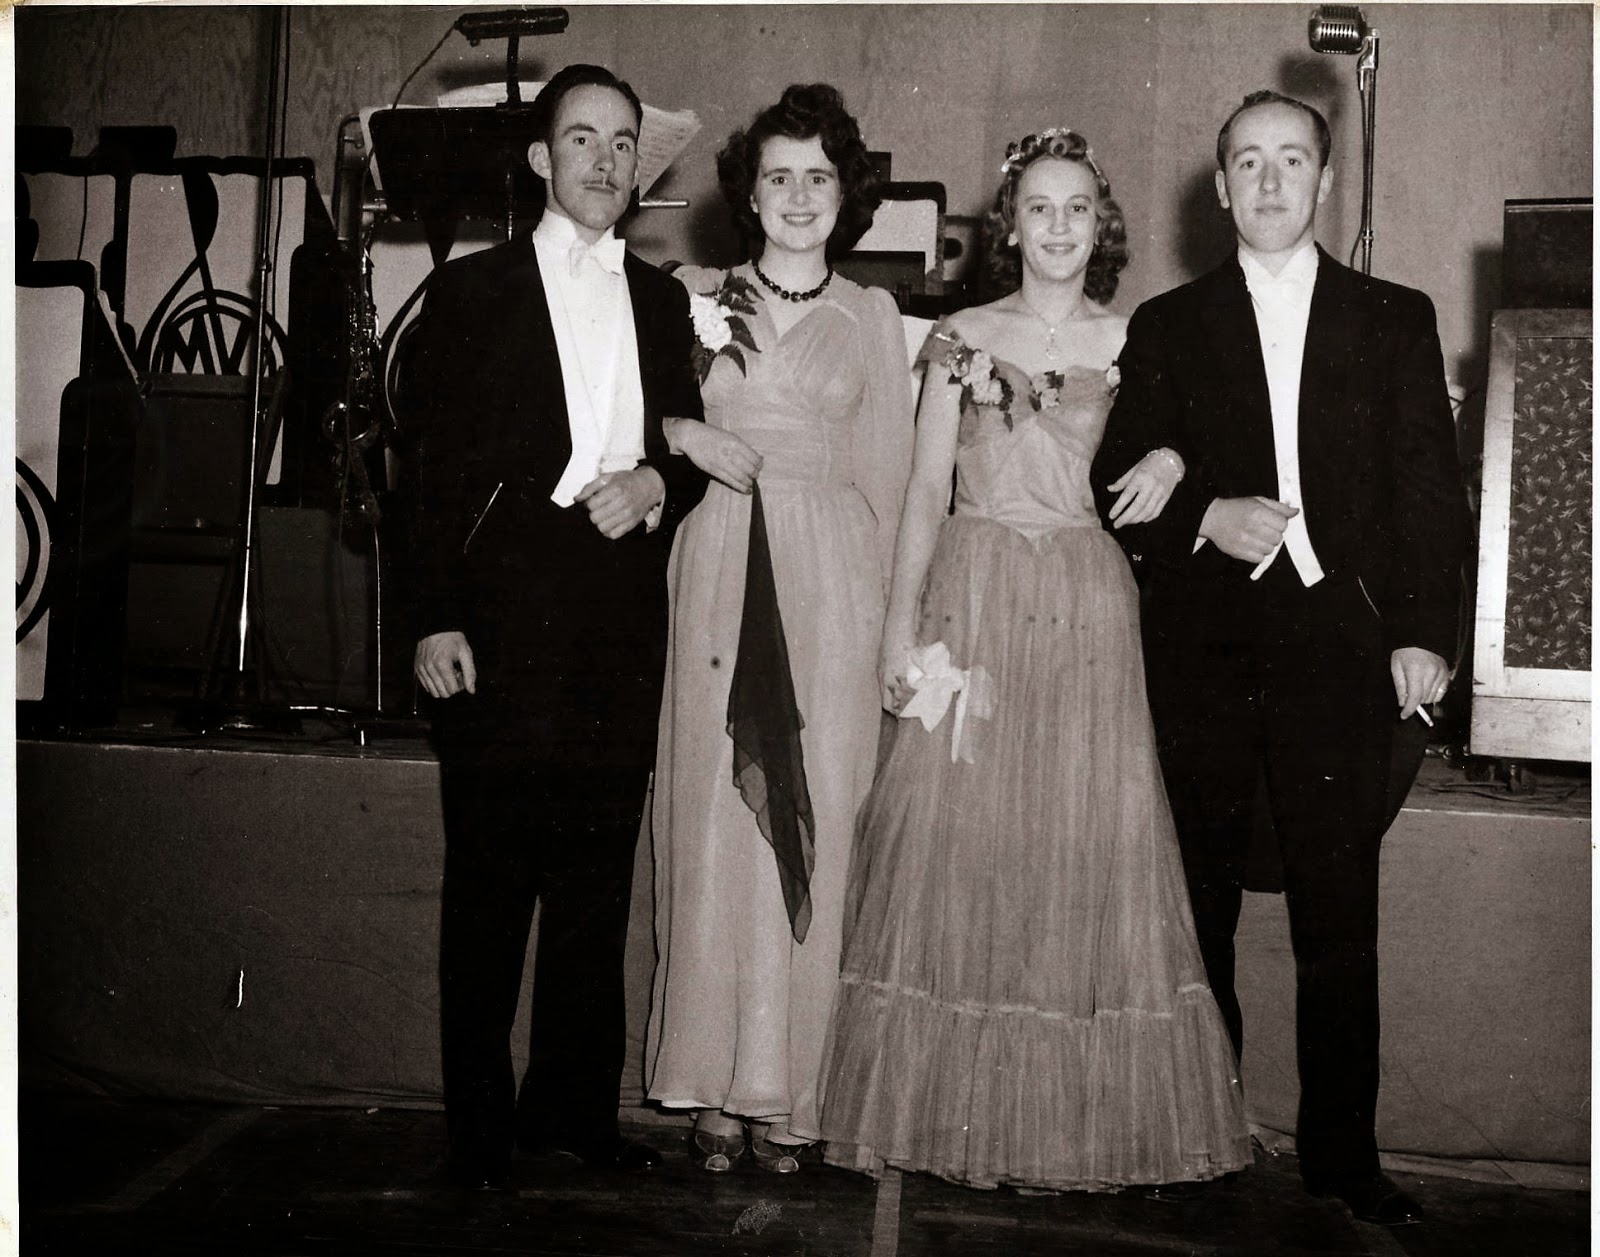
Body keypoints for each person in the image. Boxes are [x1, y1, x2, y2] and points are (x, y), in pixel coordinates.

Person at [818, 128, 1250, 1192]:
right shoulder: (960, 335)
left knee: (1076, 854)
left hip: (1085, 611)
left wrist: (1172, 450)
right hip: (972, 600)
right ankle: (957, 1119)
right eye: (1039, 207)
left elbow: (1208, 437)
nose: (1058, 226)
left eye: (1077, 208)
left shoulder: (1140, 337)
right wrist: (898, 630)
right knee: (966, 855)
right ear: (1009, 226)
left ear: (1103, 225)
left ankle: (1070, 1132)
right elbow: (925, 490)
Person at [1092, 91, 1468, 1226]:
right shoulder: (1168, 323)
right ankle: (1201, 1134)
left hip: (1340, 653)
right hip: (1206, 654)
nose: (1268, 181)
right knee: (1200, 904)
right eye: (1247, 163)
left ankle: (1344, 1157)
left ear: (1325, 181)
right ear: (1219, 188)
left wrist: (1423, 634)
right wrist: (1208, 513)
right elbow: (1117, 481)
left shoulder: (1394, 316)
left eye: (1290, 160)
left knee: (1338, 916)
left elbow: (1428, 497)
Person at [407, 63, 708, 1190]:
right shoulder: (470, 292)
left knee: (595, 886)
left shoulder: (662, 300)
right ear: (540, 157)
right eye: (583, 138)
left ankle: (574, 1113)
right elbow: (426, 475)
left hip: (618, 615)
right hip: (499, 616)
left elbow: (682, 445)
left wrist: (657, 484)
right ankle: (480, 1133)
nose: (605, 160)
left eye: (623, 143)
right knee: (491, 887)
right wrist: (436, 617)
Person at [643, 84, 914, 1174]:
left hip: (832, 582)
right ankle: (714, 1084)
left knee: (818, 817)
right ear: (748, 195)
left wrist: (894, 632)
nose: (799, 197)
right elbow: (633, 423)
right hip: (719, 561)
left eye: (819, 178)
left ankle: (792, 1092)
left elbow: (890, 484)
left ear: (845, 195)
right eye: (778, 177)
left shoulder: (873, 315)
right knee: (714, 816)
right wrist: (681, 432)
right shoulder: (690, 297)